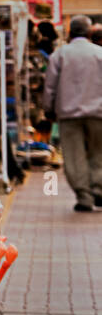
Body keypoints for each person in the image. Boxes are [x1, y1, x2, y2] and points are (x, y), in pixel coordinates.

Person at [43, 15, 102, 212]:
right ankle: (99, 190)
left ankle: (84, 196)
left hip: (68, 114)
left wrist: (48, 109)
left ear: (69, 33)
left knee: (74, 155)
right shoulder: (99, 54)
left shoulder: (60, 55)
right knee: (99, 153)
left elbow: (50, 86)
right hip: (98, 113)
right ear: (89, 32)